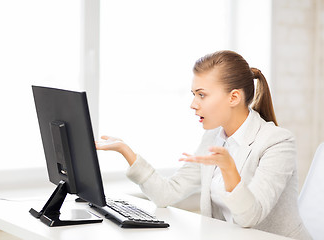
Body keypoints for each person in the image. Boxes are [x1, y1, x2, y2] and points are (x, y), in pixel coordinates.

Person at [96, 50, 311, 239]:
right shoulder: (214, 137)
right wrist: (126, 151)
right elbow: (167, 194)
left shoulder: (277, 142)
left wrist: (228, 169)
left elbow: (250, 217)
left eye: (202, 95)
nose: (193, 104)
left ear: (234, 97)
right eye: (193, 94)